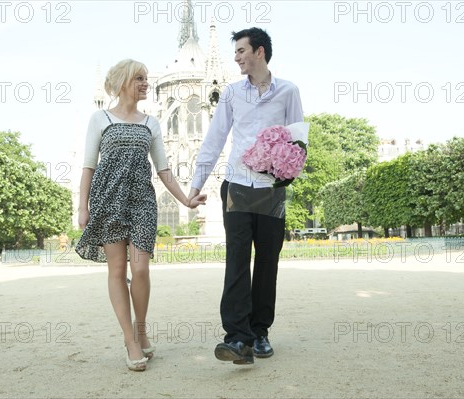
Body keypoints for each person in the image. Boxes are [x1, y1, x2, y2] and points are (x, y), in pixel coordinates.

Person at [75, 59, 206, 372]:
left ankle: (141, 328)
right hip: (107, 199)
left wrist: (186, 200)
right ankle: (130, 340)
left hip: (142, 201)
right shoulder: (100, 119)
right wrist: (83, 206)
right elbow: (88, 166)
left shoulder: (151, 123)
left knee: (142, 268)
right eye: (140, 79)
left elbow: (164, 171)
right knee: (117, 270)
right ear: (123, 82)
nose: (146, 84)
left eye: (147, 79)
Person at [188, 27, 304, 365]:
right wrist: (195, 188)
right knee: (237, 261)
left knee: (267, 262)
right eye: (235, 52)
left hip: (271, 190)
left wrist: (284, 170)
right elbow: (214, 140)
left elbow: (298, 143)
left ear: (260, 52)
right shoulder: (231, 94)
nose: (236, 57)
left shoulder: (288, 92)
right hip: (237, 185)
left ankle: (260, 332)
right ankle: (237, 339)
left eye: (241, 51)